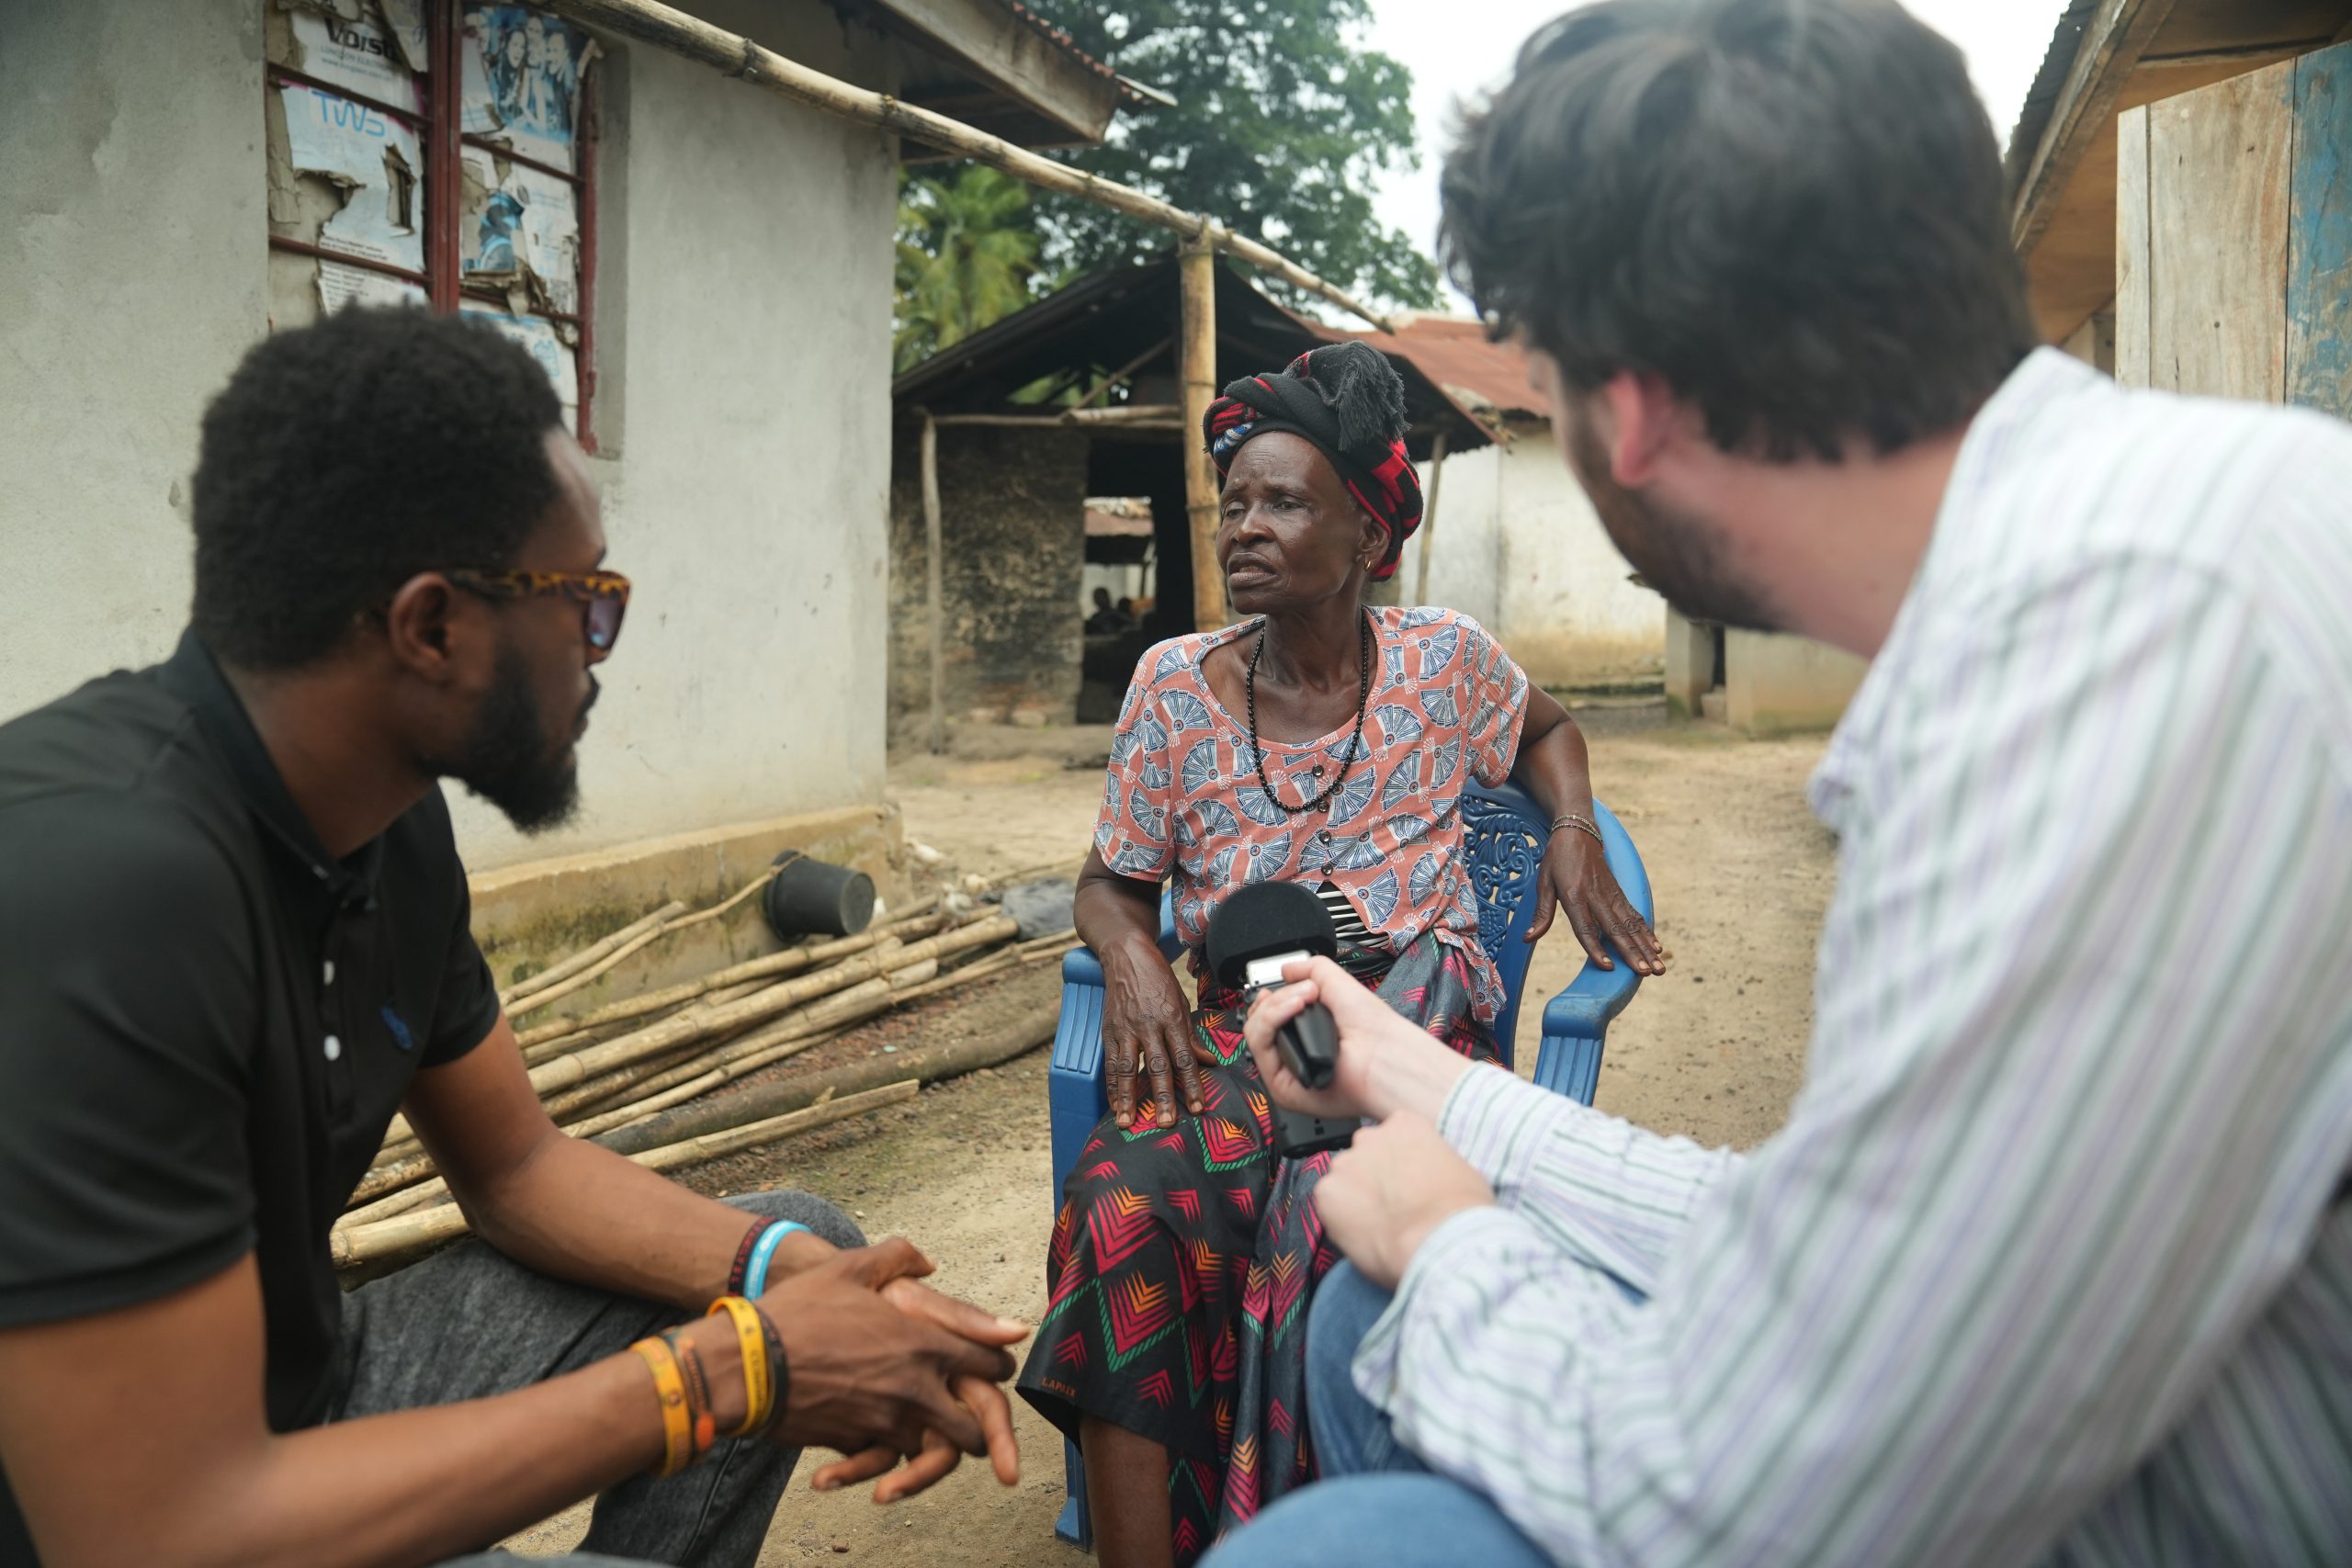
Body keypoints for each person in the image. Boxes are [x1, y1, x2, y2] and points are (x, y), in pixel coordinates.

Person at [1205, 3, 2352, 1565]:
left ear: (1635, 405)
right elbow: (1872, 1238)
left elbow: (1775, 1494)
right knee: (1374, 1320)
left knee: (1336, 1483)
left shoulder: (2101, 668)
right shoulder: (2176, 526)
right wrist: (1427, 1080)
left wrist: (1454, 1242)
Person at [0, 309, 1025, 1568]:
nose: (600, 656)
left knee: (795, 1249)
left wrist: (786, 1289)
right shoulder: (98, 886)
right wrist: (736, 1372)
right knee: (756, 1336)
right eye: (585, 600)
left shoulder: (386, 825)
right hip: (136, 1514)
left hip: (301, 1393)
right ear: (431, 627)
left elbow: (518, 1169)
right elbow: (151, 1535)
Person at [1016, 341, 1668, 1568]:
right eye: (1234, 503)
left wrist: (1574, 830)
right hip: (1246, 1034)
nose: (1243, 528)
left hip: (1417, 1038)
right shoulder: (1171, 687)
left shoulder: (1443, 660)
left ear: (1369, 534)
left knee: (1339, 1215)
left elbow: (1551, 731)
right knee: (1123, 1205)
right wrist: (1139, 958)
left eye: (1282, 502)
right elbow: (1110, 882)